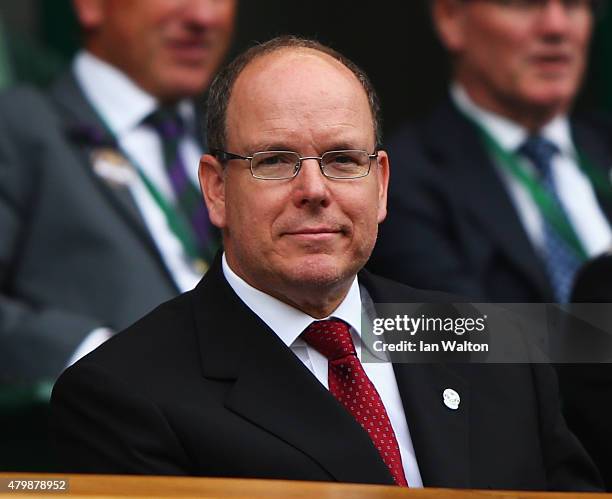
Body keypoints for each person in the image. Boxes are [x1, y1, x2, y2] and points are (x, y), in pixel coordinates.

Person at [51, 36, 602, 491]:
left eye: (342, 160)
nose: (314, 190)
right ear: (216, 190)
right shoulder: (122, 396)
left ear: (381, 185)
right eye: (275, 161)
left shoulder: (488, 344)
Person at [0, 0, 236, 385]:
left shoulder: (247, 143)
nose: (204, 17)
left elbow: (363, 300)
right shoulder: (18, 127)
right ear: (91, 5)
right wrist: (101, 357)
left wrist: (372, 365)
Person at [368, 0, 612, 304]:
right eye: (525, 4)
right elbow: (466, 340)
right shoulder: (402, 182)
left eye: (574, 4)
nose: (557, 27)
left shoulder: (602, 145)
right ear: (451, 17)